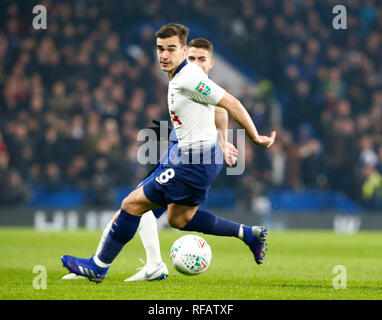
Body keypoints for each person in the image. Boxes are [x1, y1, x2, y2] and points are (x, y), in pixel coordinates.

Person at [61, 23, 276, 283]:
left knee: (132, 205)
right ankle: (248, 234)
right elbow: (218, 106)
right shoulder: (183, 76)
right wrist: (221, 138)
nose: (164, 55)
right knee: (179, 218)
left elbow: (231, 102)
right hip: (195, 157)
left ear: (183, 51)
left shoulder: (188, 77)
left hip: (192, 162)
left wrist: (254, 137)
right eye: (160, 49)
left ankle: (99, 267)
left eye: (171, 49)